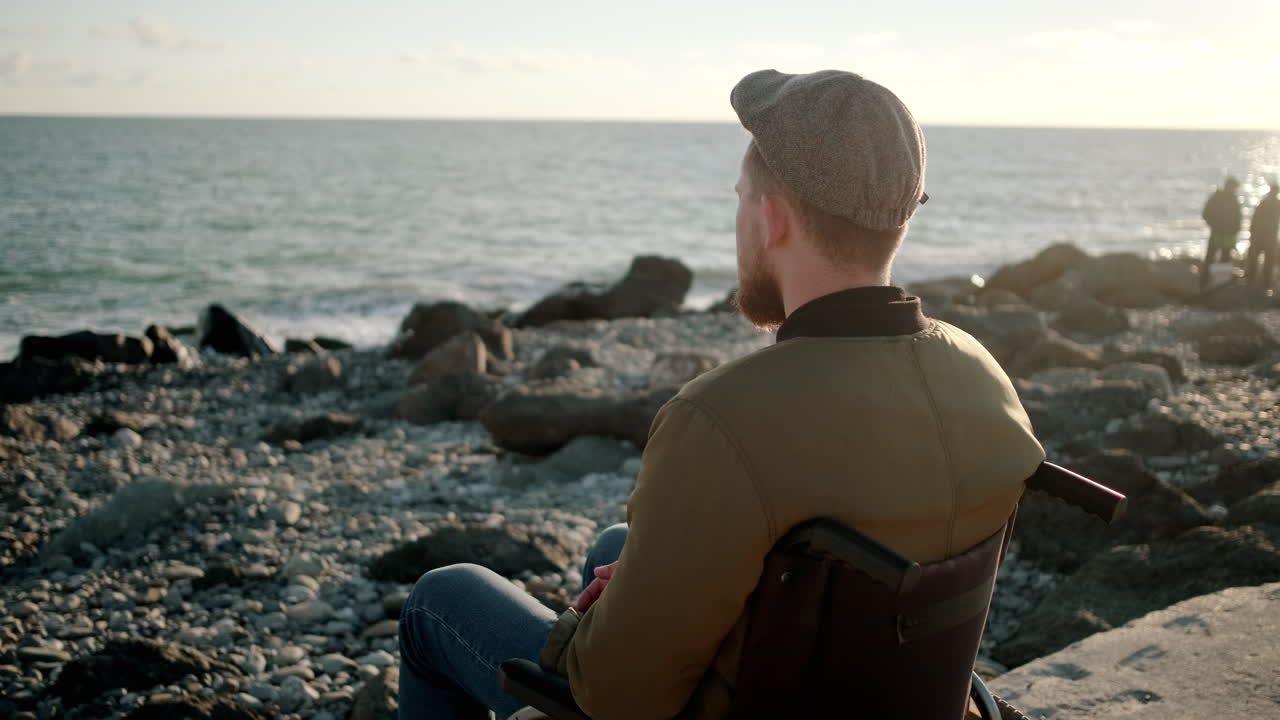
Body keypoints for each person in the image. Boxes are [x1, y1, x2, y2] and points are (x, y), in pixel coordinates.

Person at [397, 69, 1045, 720]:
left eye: (740, 198)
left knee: (441, 599)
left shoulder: (720, 418)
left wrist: (586, 627)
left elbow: (619, 698)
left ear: (771, 218)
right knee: (616, 545)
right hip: (895, 693)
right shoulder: (982, 375)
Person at [1200, 176, 1242, 288]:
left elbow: (1238, 220)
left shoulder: (1234, 200)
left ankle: (1220, 285)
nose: (1234, 190)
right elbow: (1206, 214)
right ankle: (1204, 284)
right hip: (1217, 234)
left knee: (1225, 258)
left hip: (1228, 236)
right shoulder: (1217, 198)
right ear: (1229, 186)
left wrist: (1235, 231)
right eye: (1233, 188)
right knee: (1211, 258)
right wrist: (1215, 225)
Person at [1245, 178, 1279, 290]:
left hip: (1263, 238)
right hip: (1264, 238)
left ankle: (1255, 284)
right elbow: (1255, 222)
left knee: (1260, 262)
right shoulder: (1271, 204)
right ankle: (1262, 285)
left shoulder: (1265, 203)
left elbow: (1253, 221)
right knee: (1264, 262)